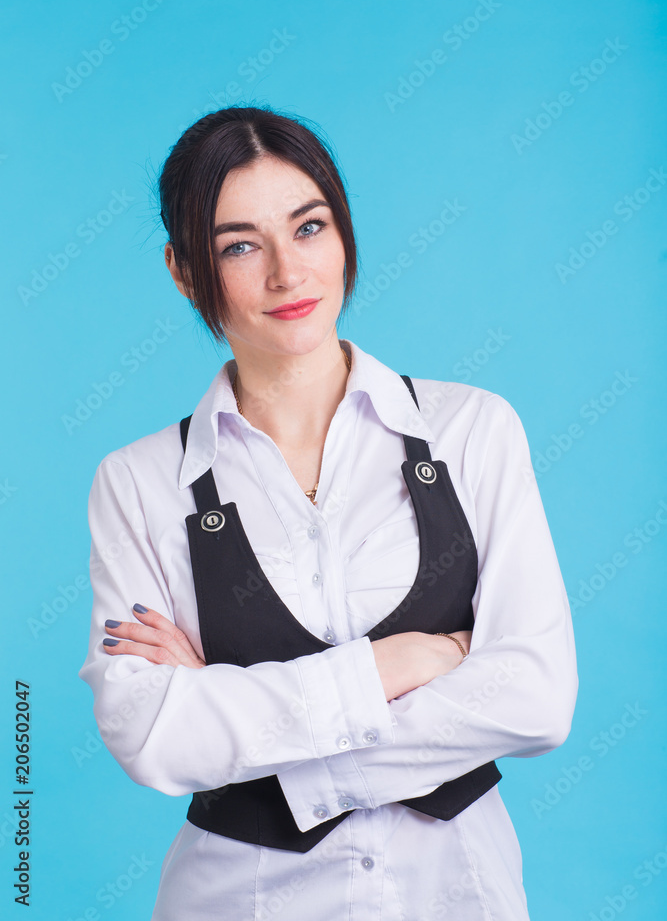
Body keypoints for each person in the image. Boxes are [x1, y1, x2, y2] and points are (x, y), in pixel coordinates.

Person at [78, 104, 578, 921]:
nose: (287, 273)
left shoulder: (471, 431)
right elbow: (153, 736)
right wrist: (405, 663)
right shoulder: (138, 483)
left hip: (455, 895)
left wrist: (236, 713)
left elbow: (534, 697)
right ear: (181, 270)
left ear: (342, 233)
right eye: (239, 245)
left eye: (308, 228)